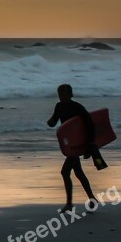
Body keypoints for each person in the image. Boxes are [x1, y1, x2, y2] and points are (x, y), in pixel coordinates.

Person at [47, 84, 99, 212]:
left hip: (78, 143)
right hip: (69, 143)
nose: (61, 97)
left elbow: (90, 124)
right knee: (78, 172)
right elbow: (54, 120)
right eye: (59, 94)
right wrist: (50, 122)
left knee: (65, 171)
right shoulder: (59, 106)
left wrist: (90, 144)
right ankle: (92, 199)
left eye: (63, 94)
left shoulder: (77, 107)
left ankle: (70, 204)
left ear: (70, 94)